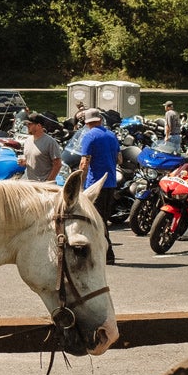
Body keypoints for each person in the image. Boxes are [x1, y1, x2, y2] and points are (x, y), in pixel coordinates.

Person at [79, 109, 120, 264]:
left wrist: (80, 184)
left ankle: (107, 253)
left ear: (88, 123)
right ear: (100, 120)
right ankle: (105, 253)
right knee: (102, 218)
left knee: (95, 220)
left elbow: (84, 163)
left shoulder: (90, 136)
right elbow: (119, 158)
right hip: (111, 182)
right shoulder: (111, 135)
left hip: (95, 184)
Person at [21, 113, 63, 183]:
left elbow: (58, 165)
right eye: (26, 124)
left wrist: (48, 182)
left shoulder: (50, 142)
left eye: (30, 124)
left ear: (39, 125)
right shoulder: (27, 141)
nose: (27, 126)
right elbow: (33, 161)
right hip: (30, 184)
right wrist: (24, 162)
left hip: (44, 186)